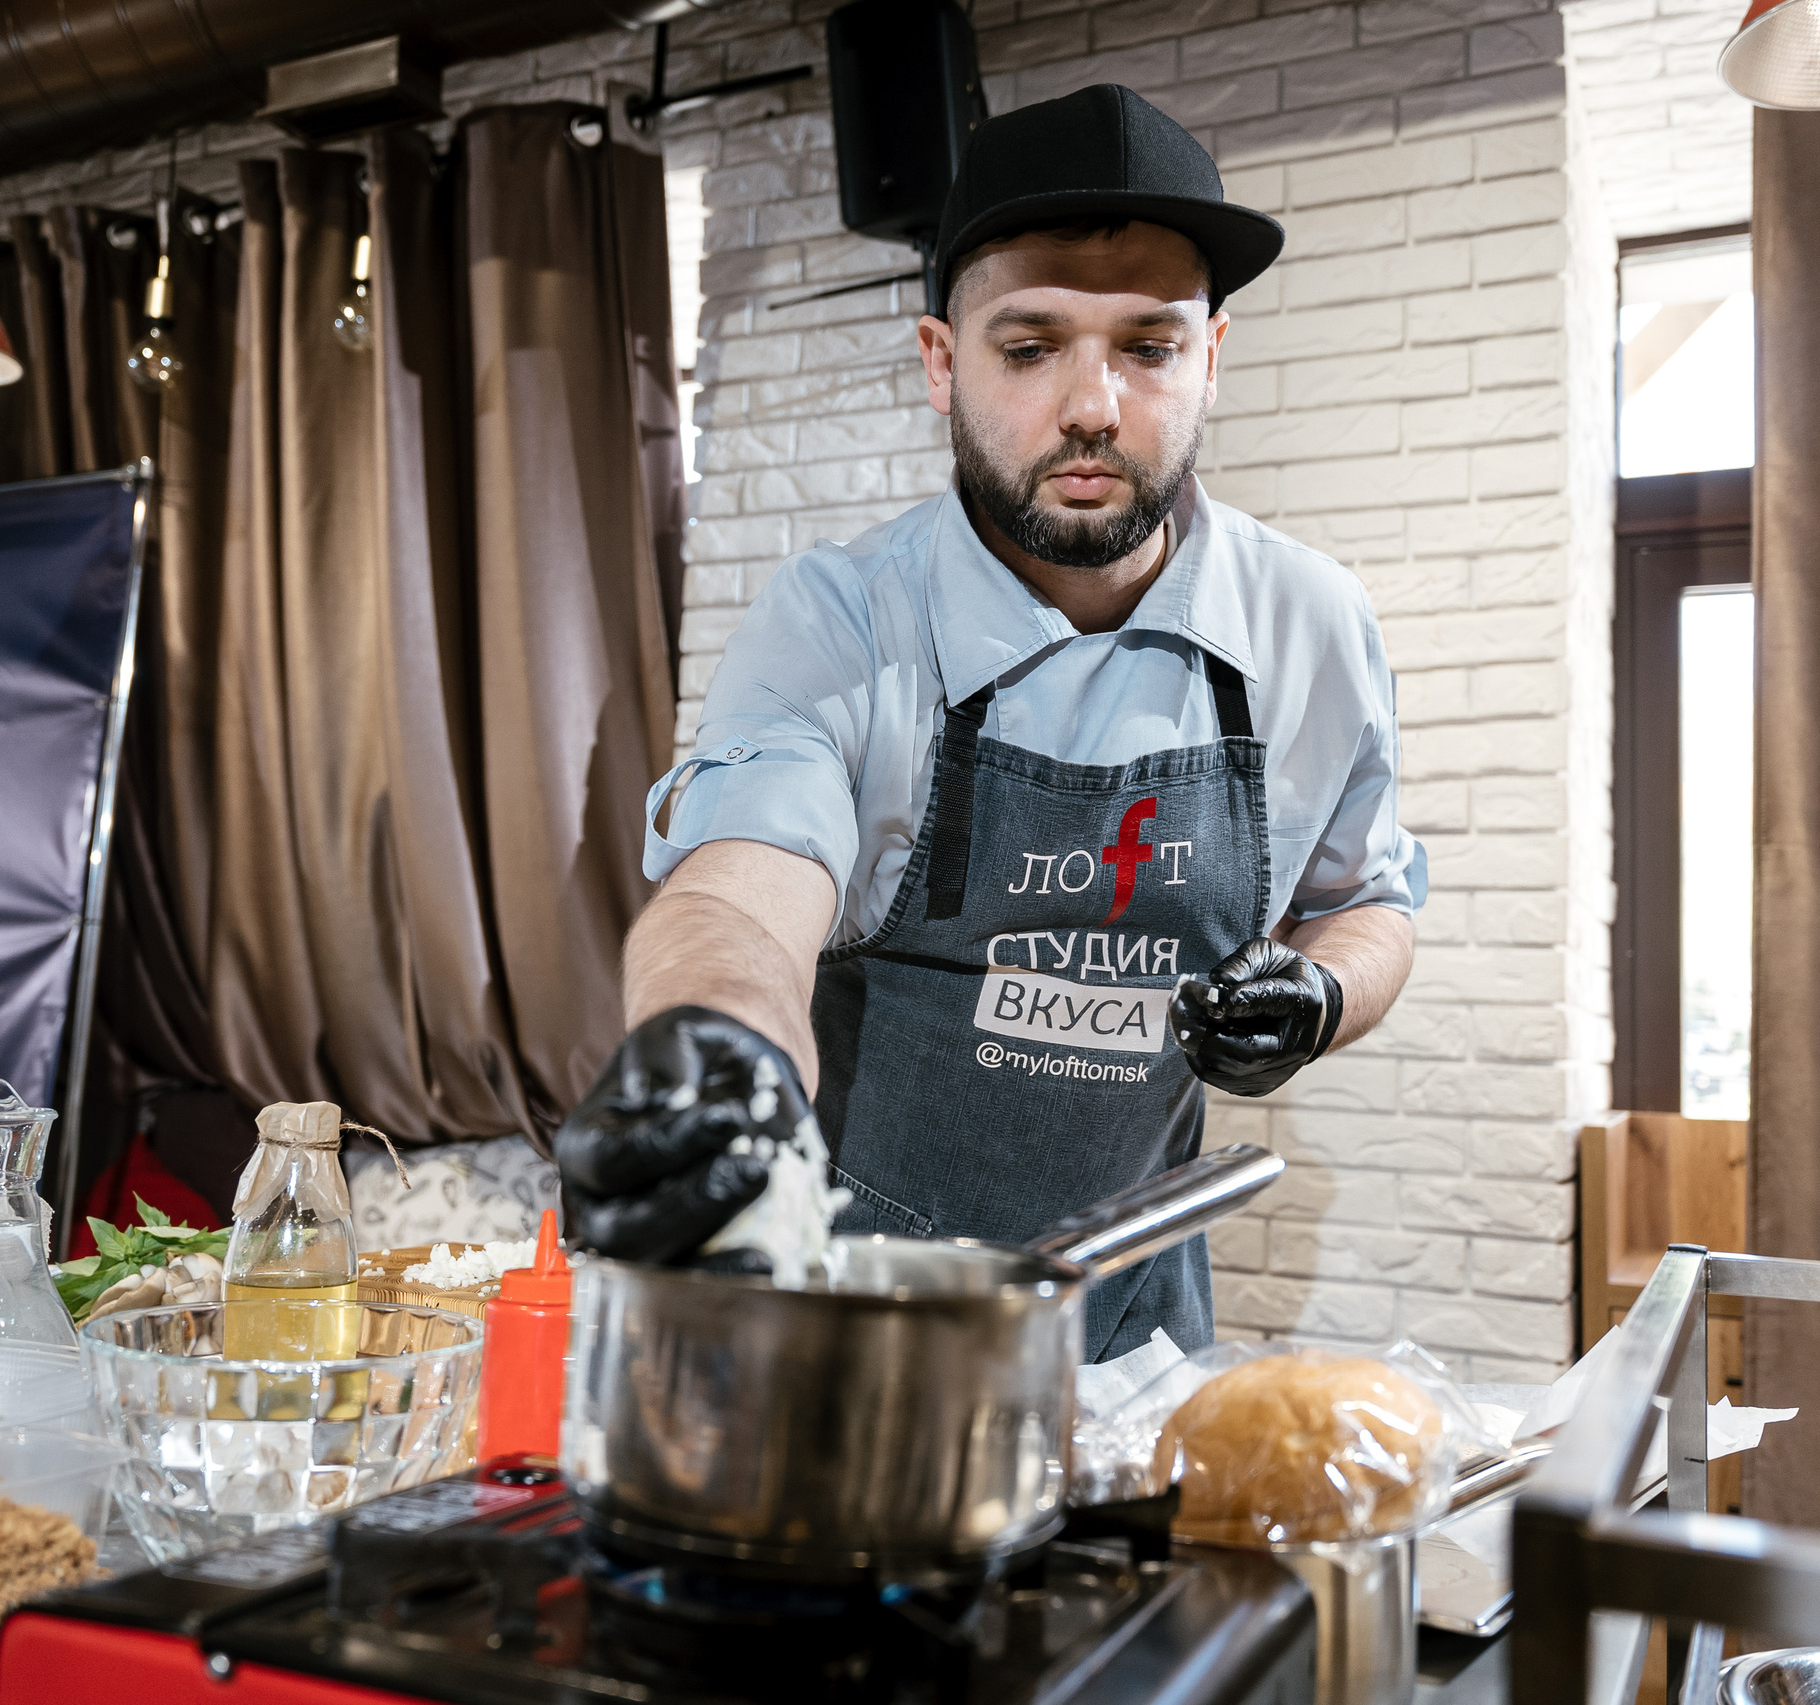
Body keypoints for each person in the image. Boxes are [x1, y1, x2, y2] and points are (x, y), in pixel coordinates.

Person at [555, 83, 1426, 1359]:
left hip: (1138, 1343)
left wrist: (1317, 992)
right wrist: (713, 1051)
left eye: (1147, 346)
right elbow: (740, 897)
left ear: (1213, 358)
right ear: (938, 363)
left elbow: (1373, 905)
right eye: (1029, 349)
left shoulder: (1311, 625)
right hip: (843, 1340)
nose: (1092, 406)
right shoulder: (842, 619)